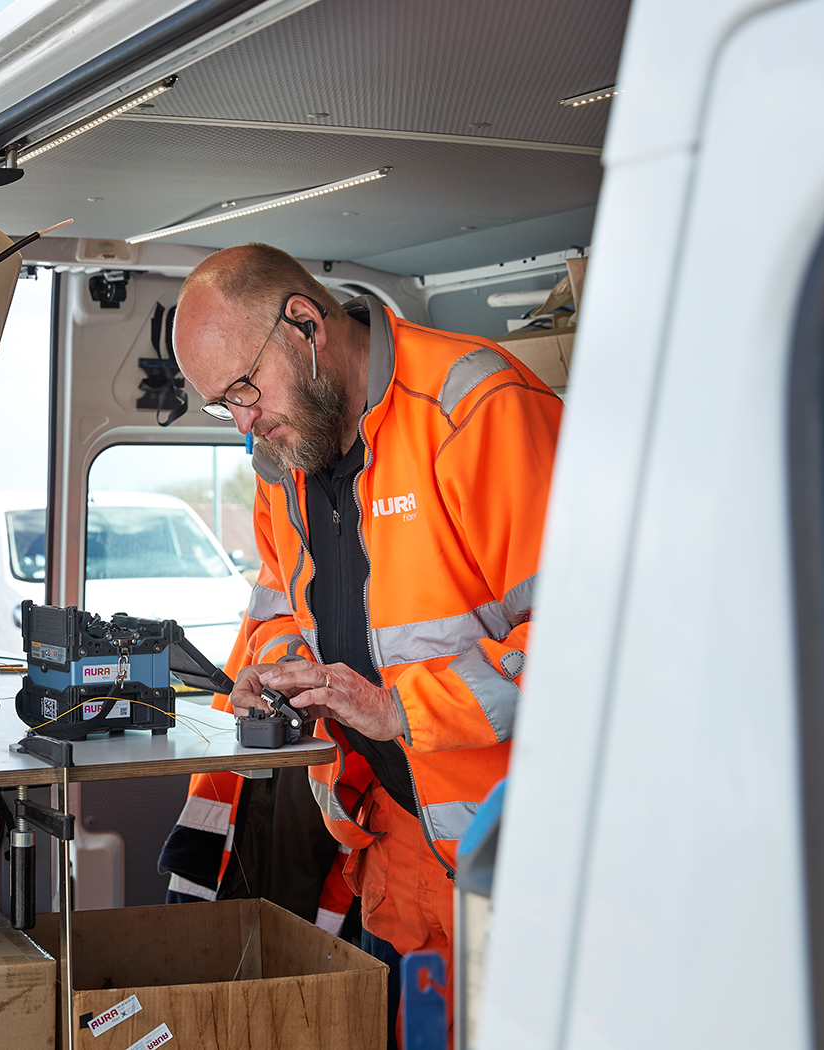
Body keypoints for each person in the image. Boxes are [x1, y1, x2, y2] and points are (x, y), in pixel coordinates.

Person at [168, 243, 562, 1049]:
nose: (243, 421)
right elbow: (278, 599)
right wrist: (275, 671)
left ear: (305, 324)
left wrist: (397, 709)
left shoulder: (476, 409)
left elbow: (589, 644)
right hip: (398, 852)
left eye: (245, 390)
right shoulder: (285, 458)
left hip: (520, 869)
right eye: (224, 406)